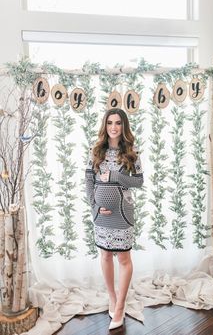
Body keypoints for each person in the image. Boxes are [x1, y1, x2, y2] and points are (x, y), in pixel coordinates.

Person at [85, 108, 144, 330]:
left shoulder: (132, 152)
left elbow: (138, 182)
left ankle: (120, 307)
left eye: (118, 123)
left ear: (123, 126)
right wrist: (96, 207)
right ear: (105, 125)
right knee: (106, 255)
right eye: (109, 122)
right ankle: (112, 297)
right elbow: (89, 182)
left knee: (124, 259)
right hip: (101, 215)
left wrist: (115, 176)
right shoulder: (95, 151)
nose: (113, 127)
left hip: (123, 213)